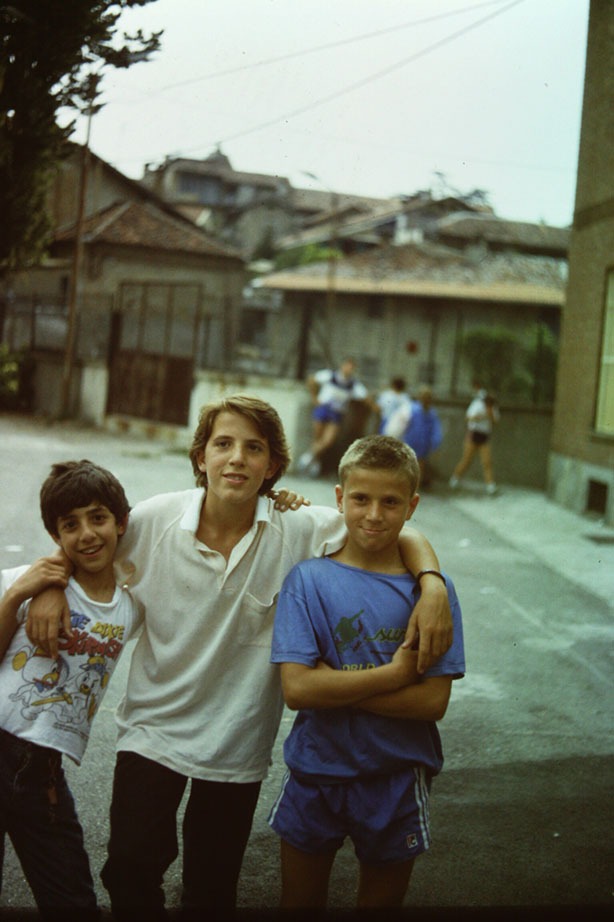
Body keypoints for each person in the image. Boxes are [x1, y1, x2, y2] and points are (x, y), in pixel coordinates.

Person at [26, 395, 452, 919]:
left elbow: (392, 524)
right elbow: (89, 541)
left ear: (272, 465)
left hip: (237, 743)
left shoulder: (299, 528)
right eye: (223, 443)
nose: (236, 458)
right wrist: (49, 585)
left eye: (254, 448)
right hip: (152, 731)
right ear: (200, 456)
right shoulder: (157, 519)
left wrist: (432, 583)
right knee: (131, 868)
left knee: (211, 891)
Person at [268, 435, 465, 910]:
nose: (374, 515)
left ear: (412, 506)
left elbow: (432, 702)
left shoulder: (432, 596)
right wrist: (394, 676)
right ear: (340, 498)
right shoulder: (307, 580)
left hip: (396, 775)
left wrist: (331, 685)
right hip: (316, 769)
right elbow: (298, 690)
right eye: (360, 499)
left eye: (390, 502)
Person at [0, 460, 139, 920]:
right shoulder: (24, 583)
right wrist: (17, 596)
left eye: (98, 518)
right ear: (55, 535)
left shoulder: (131, 606)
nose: (87, 534)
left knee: (74, 902)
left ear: (121, 522)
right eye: (70, 525)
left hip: (44, 773)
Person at [298, 357, 368, 477]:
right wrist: (314, 397)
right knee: (317, 438)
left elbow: (364, 397)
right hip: (323, 408)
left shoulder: (353, 384)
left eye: (351, 368)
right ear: (342, 366)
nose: (348, 369)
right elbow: (311, 379)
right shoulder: (330, 375)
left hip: (337, 413)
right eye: (347, 366)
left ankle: (307, 458)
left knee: (327, 441)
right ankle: (315, 464)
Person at [449, 384, 500, 494]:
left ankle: (490, 486)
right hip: (473, 434)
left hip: (484, 435)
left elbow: (496, 421)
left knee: (487, 461)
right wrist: (479, 417)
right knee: (467, 460)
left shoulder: (493, 407)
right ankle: (455, 479)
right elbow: (468, 418)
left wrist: (490, 414)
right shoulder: (477, 404)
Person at [403, 385, 443, 486]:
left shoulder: (432, 413)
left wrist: (435, 441)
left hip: (424, 443)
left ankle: (416, 485)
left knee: (420, 464)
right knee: (407, 463)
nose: (426, 399)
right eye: (424, 397)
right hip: (411, 439)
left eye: (428, 397)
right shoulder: (412, 409)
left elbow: (436, 428)